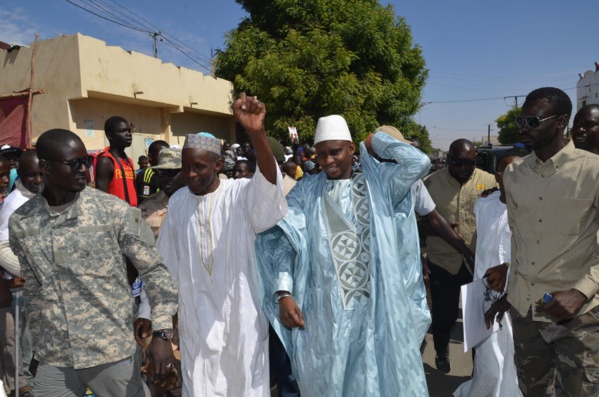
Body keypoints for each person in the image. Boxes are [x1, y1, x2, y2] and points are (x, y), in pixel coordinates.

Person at [256, 115, 431, 396]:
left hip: (377, 312)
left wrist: (377, 142)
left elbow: (419, 163)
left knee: (378, 382)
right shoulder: (306, 192)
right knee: (331, 382)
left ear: (351, 149)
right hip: (327, 314)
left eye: (334, 152)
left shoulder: (380, 186)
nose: (326, 161)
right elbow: (284, 243)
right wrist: (283, 293)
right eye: (320, 154)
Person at [8, 129, 178, 397]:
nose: (83, 169)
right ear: (46, 167)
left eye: (84, 161)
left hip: (110, 351)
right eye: (73, 163)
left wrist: (162, 334)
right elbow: (34, 289)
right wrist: (37, 346)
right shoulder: (21, 222)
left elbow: (155, 272)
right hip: (56, 356)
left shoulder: (114, 212)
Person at [154, 94, 286, 396]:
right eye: (185, 168)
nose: (190, 175)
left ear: (217, 164)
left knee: (245, 386)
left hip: (242, 321)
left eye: (198, 167)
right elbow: (164, 268)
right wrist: (158, 322)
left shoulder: (239, 194)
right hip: (197, 322)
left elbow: (267, 186)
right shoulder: (178, 204)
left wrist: (256, 133)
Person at [486, 87, 599, 397]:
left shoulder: (593, 170)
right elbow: (521, 242)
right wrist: (509, 293)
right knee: (534, 392)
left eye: (533, 120)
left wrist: (580, 291)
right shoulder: (513, 174)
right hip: (526, 313)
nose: (524, 127)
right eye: (523, 119)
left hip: (576, 315)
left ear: (561, 121)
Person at [453, 149, 527, 397]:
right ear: (496, 176)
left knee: (512, 352)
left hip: (514, 291)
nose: (512, 177)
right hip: (483, 289)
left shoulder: (531, 209)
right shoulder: (484, 204)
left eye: (519, 171)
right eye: (506, 172)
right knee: (486, 353)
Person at [422, 139, 496, 373]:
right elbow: (413, 224)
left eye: (469, 163)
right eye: (457, 162)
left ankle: (478, 369)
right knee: (444, 318)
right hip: (443, 262)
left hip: (479, 264)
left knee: (477, 321)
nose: (463, 167)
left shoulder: (489, 181)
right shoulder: (430, 184)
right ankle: (441, 349)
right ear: (447, 159)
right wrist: (439, 230)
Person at [0, 151, 42, 397]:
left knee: (29, 343)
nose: (37, 180)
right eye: (31, 175)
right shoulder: (14, 204)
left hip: (30, 287)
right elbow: (2, 246)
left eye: (40, 174)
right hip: (16, 287)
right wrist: (31, 272)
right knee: (15, 344)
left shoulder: (39, 198)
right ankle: (19, 388)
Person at [139, 148, 184, 241]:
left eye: (170, 172)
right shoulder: (148, 205)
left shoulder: (197, 203)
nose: (164, 177)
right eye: (160, 171)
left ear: (184, 172)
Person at [95, 116, 138, 206]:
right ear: (110, 135)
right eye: (123, 131)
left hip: (132, 215)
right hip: (116, 216)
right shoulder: (106, 161)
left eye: (129, 131)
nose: (128, 134)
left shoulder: (129, 161)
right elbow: (102, 198)